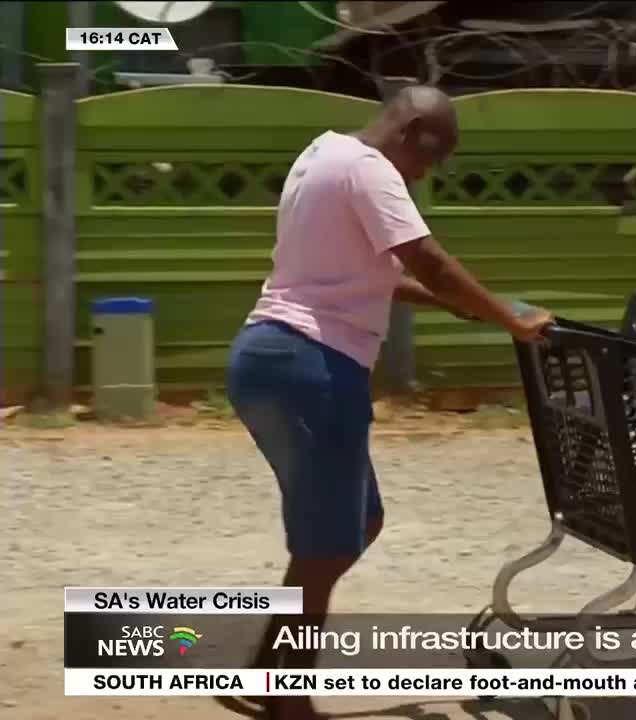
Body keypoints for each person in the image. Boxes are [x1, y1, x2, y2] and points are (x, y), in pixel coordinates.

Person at [222, 85, 553, 720]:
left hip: (265, 357)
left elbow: (370, 277)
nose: (425, 175)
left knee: (355, 523)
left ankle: (267, 672)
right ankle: (284, 693)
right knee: (325, 542)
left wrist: (476, 307)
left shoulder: (322, 154)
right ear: (412, 137)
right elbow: (426, 259)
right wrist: (510, 321)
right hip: (313, 366)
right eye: (429, 161)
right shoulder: (372, 171)